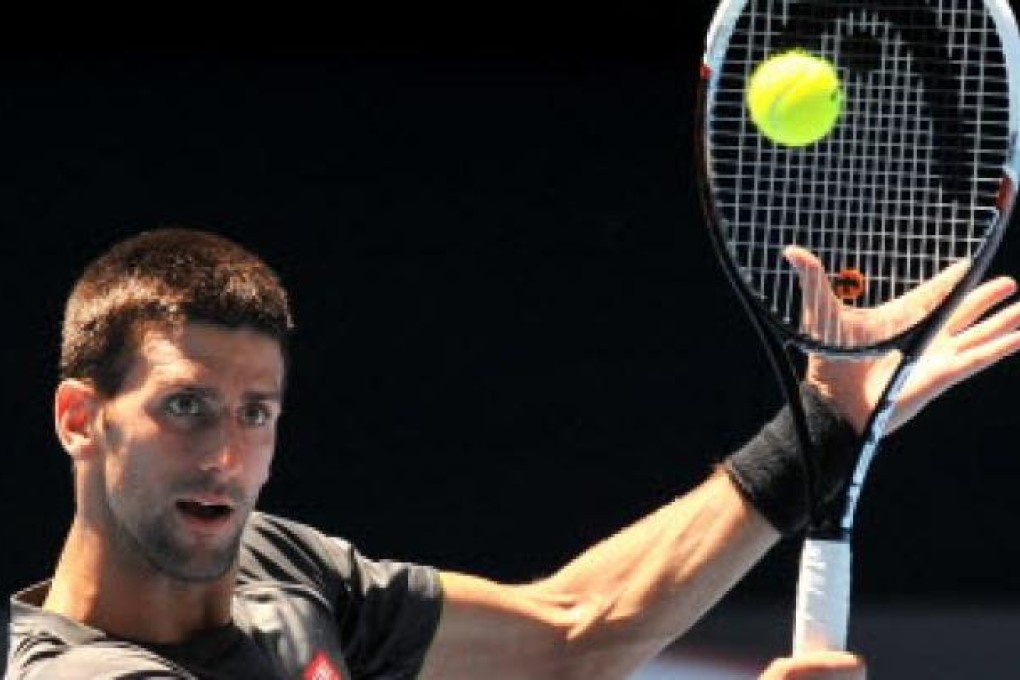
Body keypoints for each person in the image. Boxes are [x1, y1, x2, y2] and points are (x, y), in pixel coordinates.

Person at [7, 228, 1019, 679]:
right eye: (186, 407)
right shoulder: (70, 674)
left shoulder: (279, 565)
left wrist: (819, 426)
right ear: (80, 417)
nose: (226, 455)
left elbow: (570, 635)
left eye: (255, 413)